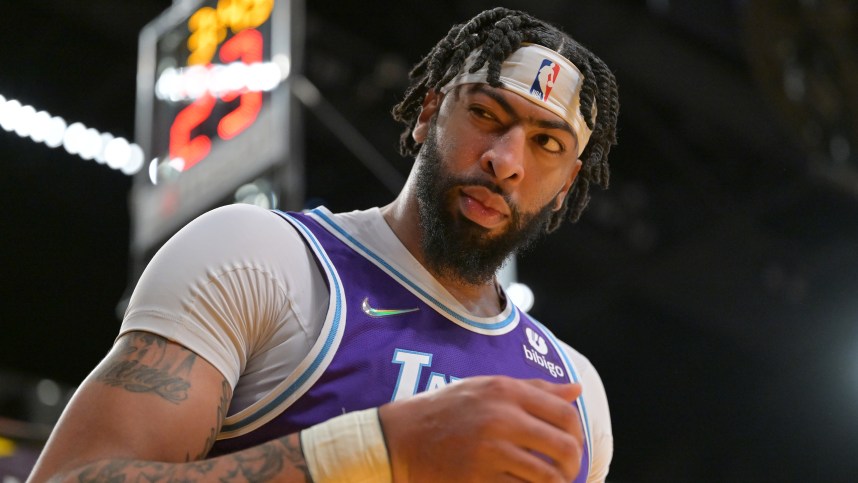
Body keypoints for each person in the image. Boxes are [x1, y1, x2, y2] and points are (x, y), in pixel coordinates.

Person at [28, 7, 619, 483]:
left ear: (567, 184)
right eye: (487, 113)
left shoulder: (578, 394)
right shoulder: (263, 258)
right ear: (429, 112)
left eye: (547, 143)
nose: (507, 161)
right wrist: (377, 450)